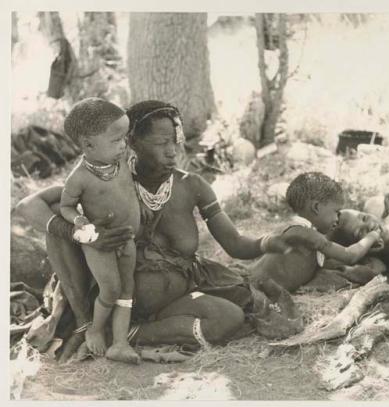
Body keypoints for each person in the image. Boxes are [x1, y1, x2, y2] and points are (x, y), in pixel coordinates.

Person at [15, 100, 308, 362]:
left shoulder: (192, 186)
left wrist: (271, 241)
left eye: (175, 142)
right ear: (132, 142)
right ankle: (93, 325)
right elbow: (29, 206)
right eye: (161, 143)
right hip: (115, 297)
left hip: (175, 299)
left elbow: (235, 244)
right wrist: (83, 234)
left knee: (229, 318)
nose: (172, 152)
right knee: (58, 228)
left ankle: (132, 335)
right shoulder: (108, 179)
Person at [59, 98, 140, 363]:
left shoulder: (123, 161)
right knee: (111, 289)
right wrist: (80, 222)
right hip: (99, 242)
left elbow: (128, 191)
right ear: (87, 145)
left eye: (124, 138)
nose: (124, 144)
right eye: (116, 140)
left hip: (127, 238)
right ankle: (94, 329)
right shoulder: (79, 177)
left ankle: (120, 343)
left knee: (127, 289)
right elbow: (66, 206)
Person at [249, 172, 384, 293]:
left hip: (260, 285)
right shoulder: (306, 235)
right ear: (316, 207)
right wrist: (372, 236)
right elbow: (350, 255)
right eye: (336, 212)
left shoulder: (303, 232)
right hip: (256, 289)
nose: (337, 219)